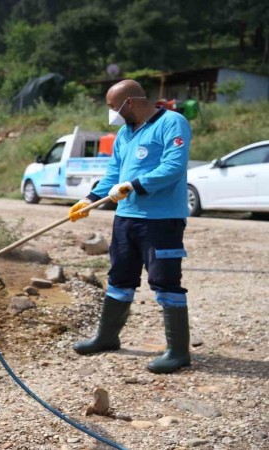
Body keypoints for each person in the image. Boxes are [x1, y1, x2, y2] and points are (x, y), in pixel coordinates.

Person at [68, 79, 192, 374]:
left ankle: (178, 352)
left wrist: (134, 184)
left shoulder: (172, 123)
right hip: (126, 219)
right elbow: (113, 173)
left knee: (165, 281)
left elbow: (173, 167)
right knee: (119, 277)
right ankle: (107, 337)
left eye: (113, 107)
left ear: (131, 102)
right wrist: (90, 198)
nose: (112, 113)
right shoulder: (125, 132)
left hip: (162, 221)